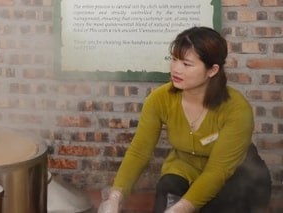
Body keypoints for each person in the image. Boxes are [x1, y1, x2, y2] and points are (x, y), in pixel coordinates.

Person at [98, 27, 271, 213]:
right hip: (185, 168)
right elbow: (139, 151)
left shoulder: (236, 108)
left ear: (212, 70)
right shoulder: (159, 99)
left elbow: (217, 172)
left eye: (187, 64)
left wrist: (180, 209)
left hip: (236, 177)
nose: (175, 69)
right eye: (174, 59)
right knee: (167, 189)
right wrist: (115, 197)